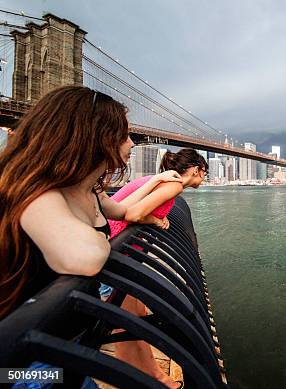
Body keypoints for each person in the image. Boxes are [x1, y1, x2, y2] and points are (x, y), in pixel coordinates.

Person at [0, 86, 183, 388]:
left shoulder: (88, 190)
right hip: (28, 364)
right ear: (96, 137)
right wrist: (105, 238)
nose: (131, 143)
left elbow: (124, 211)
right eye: (125, 135)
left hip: (67, 342)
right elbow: (85, 258)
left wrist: (157, 180)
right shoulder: (39, 196)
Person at [102, 149, 206, 387]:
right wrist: (156, 220)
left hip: (123, 252)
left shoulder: (166, 182)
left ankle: (149, 374)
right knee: (126, 325)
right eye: (204, 174)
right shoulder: (174, 185)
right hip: (119, 254)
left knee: (134, 319)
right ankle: (148, 377)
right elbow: (135, 213)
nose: (203, 179)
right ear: (195, 170)